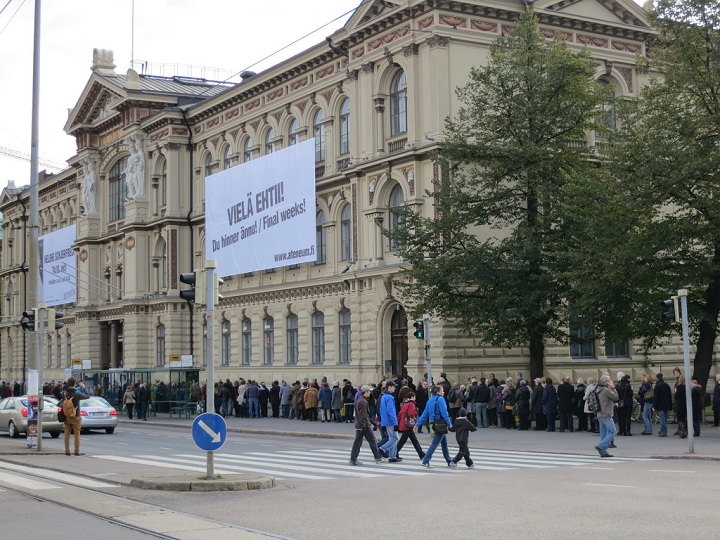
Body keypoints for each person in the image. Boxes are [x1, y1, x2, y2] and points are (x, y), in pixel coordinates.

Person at [414, 385, 455, 469]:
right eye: (442, 390)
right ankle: (426, 460)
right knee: (435, 443)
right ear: (438, 392)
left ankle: (449, 460)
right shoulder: (440, 399)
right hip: (441, 423)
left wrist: (418, 424)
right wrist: (449, 423)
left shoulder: (430, 400)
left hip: (432, 424)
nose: (443, 392)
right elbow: (444, 412)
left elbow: (425, 414)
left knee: (444, 443)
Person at [349, 386, 385, 466]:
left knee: (357, 442)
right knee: (372, 441)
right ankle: (378, 458)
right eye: (369, 391)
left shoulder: (359, 400)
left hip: (359, 425)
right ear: (366, 392)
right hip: (364, 426)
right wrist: (365, 425)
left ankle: (353, 459)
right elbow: (363, 416)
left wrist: (370, 422)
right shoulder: (364, 402)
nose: (370, 393)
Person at [63, 377, 90, 456]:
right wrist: (84, 387)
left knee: (66, 434)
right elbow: (87, 396)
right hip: (76, 416)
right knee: (77, 434)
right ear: (75, 384)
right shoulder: (77, 394)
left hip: (67, 416)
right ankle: (76, 451)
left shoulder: (64, 393)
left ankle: (67, 451)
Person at [593, 375, 619, 457]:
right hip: (606, 413)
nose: (611, 381)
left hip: (600, 413)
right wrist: (613, 388)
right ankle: (601, 446)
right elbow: (616, 397)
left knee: (603, 434)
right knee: (613, 431)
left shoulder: (598, 389)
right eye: (610, 380)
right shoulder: (606, 390)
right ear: (606, 382)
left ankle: (603, 451)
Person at [396, 392, 425, 461]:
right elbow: (411, 414)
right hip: (408, 425)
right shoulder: (411, 404)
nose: (415, 398)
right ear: (412, 397)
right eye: (414, 397)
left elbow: (400, 414)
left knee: (413, 440)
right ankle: (394, 452)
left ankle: (421, 454)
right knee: (403, 441)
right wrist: (416, 411)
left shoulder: (404, 404)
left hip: (404, 424)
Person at [378, 381, 400, 462]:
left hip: (385, 421)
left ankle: (392, 456)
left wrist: (383, 423)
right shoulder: (390, 397)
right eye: (393, 386)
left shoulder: (383, 397)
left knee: (392, 438)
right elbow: (391, 411)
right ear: (389, 387)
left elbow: (381, 410)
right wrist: (395, 423)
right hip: (391, 421)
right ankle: (382, 448)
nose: (395, 388)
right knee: (395, 438)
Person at [653, 372, 672, 437]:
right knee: (664, 418)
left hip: (660, 404)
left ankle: (664, 431)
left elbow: (656, 397)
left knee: (662, 418)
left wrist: (654, 406)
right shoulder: (666, 385)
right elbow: (670, 395)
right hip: (666, 403)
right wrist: (670, 405)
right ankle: (662, 430)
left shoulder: (657, 386)